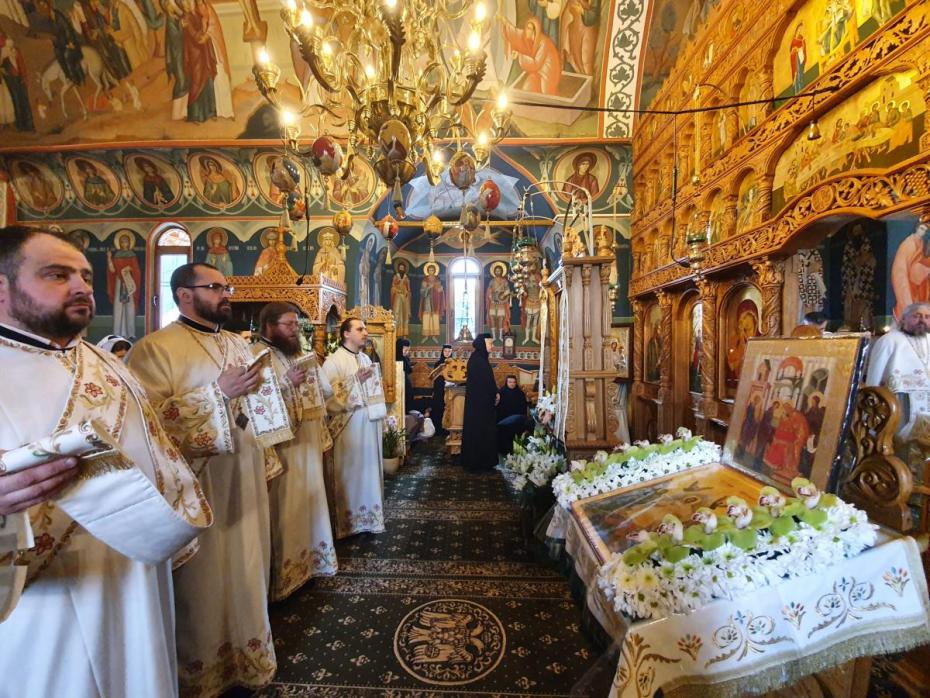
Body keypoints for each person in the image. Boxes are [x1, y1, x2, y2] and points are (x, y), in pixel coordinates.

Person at [0, 227, 210, 698]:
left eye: (85, 276)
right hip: (40, 607)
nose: (81, 287)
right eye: (57, 275)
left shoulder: (107, 364)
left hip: (135, 581)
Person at [127, 262, 279, 696]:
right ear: (184, 294)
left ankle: (248, 659)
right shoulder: (155, 350)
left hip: (245, 475)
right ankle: (203, 674)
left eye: (226, 287)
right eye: (215, 287)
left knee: (247, 566)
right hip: (198, 487)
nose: (226, 294)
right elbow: (148, 427)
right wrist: (217, 395)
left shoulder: (237, 344)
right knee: (205, 583)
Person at [257, 302, 337, 600]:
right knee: (286, 509)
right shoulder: (257, 355)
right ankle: (284, 577)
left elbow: (324, 393)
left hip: (306, 444)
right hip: (283, 451)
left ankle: (310, 565)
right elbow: (254, 405)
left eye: (296, 324)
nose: (295, 330)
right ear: (269, 326)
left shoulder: (296, 353)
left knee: (307, 505)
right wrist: (284, 385)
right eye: (288, 324)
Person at [321, 318, 386, 538]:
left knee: (368, 473)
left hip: (369, 427)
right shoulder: (333, 361)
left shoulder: (365, 358)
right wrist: (354, 381)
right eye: (360, 329)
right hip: (348, 429)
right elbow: (327, 398)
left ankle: (369, 520)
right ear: (346, 334)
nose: (365, 333)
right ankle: (348, 524)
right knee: (351, 474)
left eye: (365, 329)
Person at [461, 333, 498, 471]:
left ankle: (481, 461)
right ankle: (478, 462)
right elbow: (486, 382)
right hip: (479, 405)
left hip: (481, 403)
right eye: (490, 343)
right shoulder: (478, 360)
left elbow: (488, 381)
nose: (492, 346)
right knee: (479, 432)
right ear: (483, 344)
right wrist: (495, 393)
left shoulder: (479, 358)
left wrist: (495, 392)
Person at [107, 232, 142, 339]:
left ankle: (130, 333)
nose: (123, 243)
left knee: (130, 306)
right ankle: (117, 332)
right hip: (119, 282)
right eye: (122, 242)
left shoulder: (132, 255)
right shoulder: (117, 255)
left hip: (129, 281)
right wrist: (109, 258)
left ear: (129, 243)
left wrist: (129, 268)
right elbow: (112, 270)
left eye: (126, 241)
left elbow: (136, 270)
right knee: (118, 306)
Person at [496, 375, 531, 456]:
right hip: (504, 420)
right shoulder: (501, 392)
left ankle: (517, 451)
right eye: (510, 382)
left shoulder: (520, 393)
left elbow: (524, 407)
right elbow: (498, 408)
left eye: (514, 382)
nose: (512, 384)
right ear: (506, 382)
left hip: (517, 420)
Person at [430, 344, 453, 435]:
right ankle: (438, 429)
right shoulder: (438, 363)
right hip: (439, 390)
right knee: (438, 407)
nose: (447, 353)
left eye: (449, 351)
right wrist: (434, 391)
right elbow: (434, 378)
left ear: (451, 352)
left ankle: (447, 429)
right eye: (445, 351)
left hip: (450, 389)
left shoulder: (453, 363)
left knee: (448, 409)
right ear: (442, 352)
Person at [390, 261, 411, 336]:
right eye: (400, 268)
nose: (401, 269)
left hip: (404, 298)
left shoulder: (406, 278)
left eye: (403, 268)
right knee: (396, 313)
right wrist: (397, 290)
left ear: (404, 269)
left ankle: (404, 333)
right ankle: (396, 333)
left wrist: (407, 292)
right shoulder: (396, 277)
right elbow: (393, 287)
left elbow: (409, 289)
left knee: (405, 314)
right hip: (397, 297)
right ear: (398, 269)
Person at [397, 337, 413, 413]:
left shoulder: (405, 358)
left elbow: (409, 370)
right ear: (400, 348)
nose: (407, 352)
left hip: (406, 382)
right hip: (399, 384)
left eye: (408, 350)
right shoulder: (396, 357)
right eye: (405, 350)